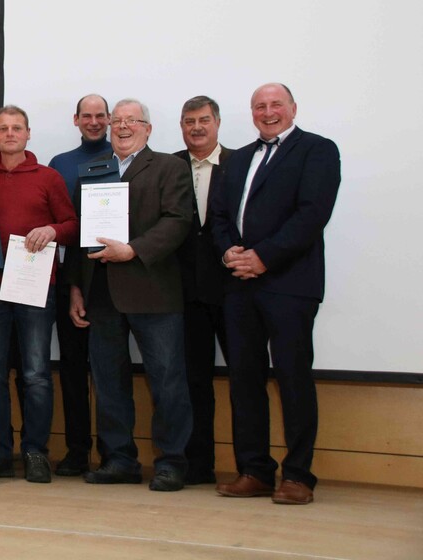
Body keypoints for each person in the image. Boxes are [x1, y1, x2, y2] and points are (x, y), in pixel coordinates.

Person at [212, 83, 340, 505]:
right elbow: (219, 216)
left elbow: (312, 214)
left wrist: (263, 257)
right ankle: (255, 471)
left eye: (275, 105)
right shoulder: (238, 158)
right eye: (259, 106)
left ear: (292, 109)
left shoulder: (318, 150)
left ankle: (299, 475)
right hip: (239, 285)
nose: (268, 113)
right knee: (244, 380)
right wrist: (229, 249)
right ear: (251, 112)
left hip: (290, 285)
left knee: (293, 378)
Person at [67, 98, 193, 492]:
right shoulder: (93, 171)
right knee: (108, 381)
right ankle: (119, 459)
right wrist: (75, 287)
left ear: (148, 128)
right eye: (117, 121)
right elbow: (77, 233)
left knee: (167, 380)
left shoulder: (170, 167)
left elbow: (178, 221)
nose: (122, 127)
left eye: (131, 120)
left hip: (153, 290)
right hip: (101, 292)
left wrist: (134, 249)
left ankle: (172, 461)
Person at [0, 105, 78, 483]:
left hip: (36, 286)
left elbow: (72, 224)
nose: (8, 134)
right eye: (2, 128)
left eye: (15, 128)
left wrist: (53, 231)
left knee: (36, 373)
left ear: (27, 133)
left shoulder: (48, 177)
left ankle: (36, 452)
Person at [45, 94, 111, 477]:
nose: (93, 121)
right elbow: (62, 228)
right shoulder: (60, 165)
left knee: (108, 370)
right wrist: (71, 284)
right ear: (75, 120)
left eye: (100, 115)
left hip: (113, 283)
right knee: (72, 368)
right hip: (70, 281)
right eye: (86, 115)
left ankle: (112, 451)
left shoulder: (122, 161)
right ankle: (75, 450)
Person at [174, 96, 233, 484]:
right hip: (184, 292)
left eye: (204, 120)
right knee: (194, 380)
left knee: (245, 377)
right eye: (190, 121)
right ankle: (198, 465)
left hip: (233, 290)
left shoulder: (240, 163)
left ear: (218, 123)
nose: (197, 127)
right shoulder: (169, 165)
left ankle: (251, 466)